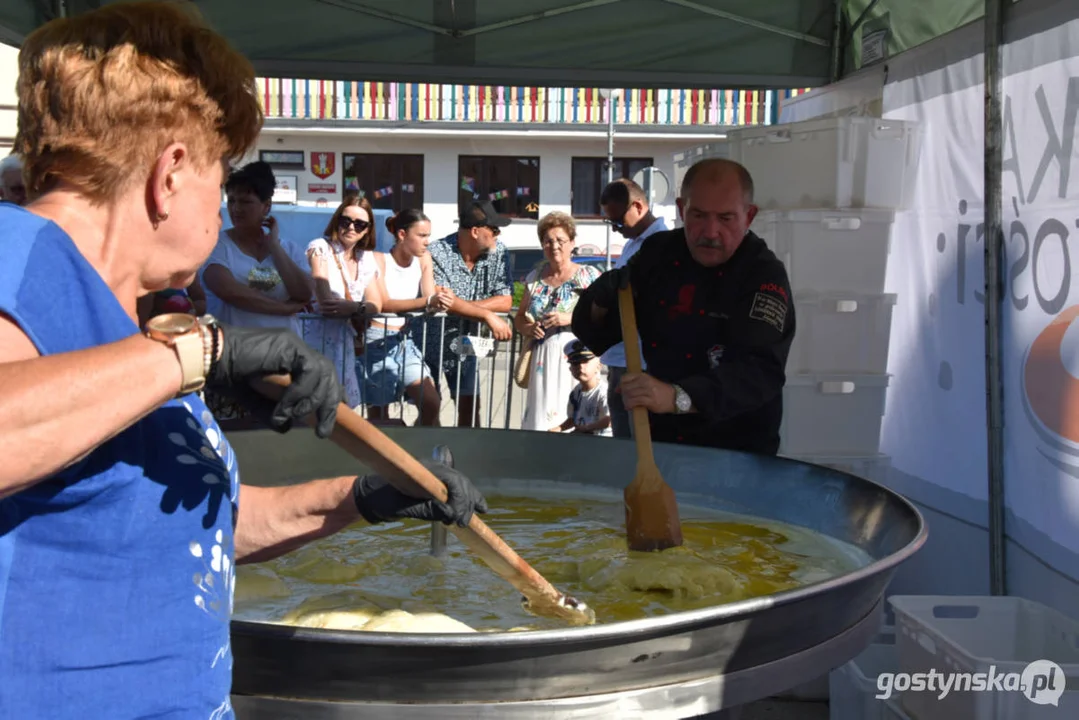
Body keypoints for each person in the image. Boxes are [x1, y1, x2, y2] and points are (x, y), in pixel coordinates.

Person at [0, 5, 488, 718]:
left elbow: (199, 530)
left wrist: (361, 498)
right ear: (171, 174)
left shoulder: (127, 322)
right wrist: (202, 351)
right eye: (220, 172)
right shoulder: (20, 253)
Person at [572, 158, 796, 455]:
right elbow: (600, 333)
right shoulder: (658, 255)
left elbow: (757, 373)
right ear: (681, 209)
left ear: (749, 216)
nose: (710, 231)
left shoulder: (763, 274)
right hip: (663, 445)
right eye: (699, 215)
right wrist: (599, 299)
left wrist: (677, 396)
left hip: (739, 450)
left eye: (726, 218)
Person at [422, 200, 514, 428]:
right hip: (428, 341)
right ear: (475, 231)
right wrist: (486, 315)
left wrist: (465, 307)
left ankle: (469, 456)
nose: (497, 235)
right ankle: (424, 456)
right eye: (493, 230)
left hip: (466, 343)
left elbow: (505, 301)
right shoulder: (436, 252)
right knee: (430, 407)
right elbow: (443, 301)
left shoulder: (498, 252)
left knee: (471, 407)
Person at [514, 211, 601, 431]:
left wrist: (569, 317)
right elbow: (519, 318)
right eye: (548, 241)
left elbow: (603, 316)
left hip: (577, 357)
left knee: (574, 414)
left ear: (572, 243)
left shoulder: (588, 275)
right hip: (542, 360)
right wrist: (530, 328)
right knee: (541, 417)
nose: (554, 246)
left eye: (560, 240)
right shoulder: (535, 278)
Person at [598, 178, 669, 439]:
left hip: (641, 361)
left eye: (618, 221)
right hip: (620, 356)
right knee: (623, 443)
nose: (616, 229)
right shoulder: (632, 242)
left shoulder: (662, 243)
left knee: (639, 443)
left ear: (638, 207)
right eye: (611, 223)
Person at [365, 208, 447, 426]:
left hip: (404, 340)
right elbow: (384, 303)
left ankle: (412, 448)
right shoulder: (378, 259)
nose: (428, 241)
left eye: (428, 235)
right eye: (422, 235)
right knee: (379, 416)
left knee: (431, 402)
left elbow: (430, 299)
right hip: (375, 341)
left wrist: (442, 299)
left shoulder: (424, 259)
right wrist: (430, 302)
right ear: (402, 235)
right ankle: (392, 453)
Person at [303, 195, 384, 410]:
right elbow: (326, 303)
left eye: (359, 224)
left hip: (344, 343)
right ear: (336, 220)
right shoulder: (319, 248)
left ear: (367, 230)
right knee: (315, 408)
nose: (351, 227)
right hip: (315, 342)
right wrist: (359, 309)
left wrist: (353, 308)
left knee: (343, 409)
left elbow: (377, 304)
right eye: (345, 220)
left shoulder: (366, 258)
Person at [549, 339, 612, 436]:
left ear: (599, 366)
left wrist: (587, 428)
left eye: (585, 361)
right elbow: (573, 419)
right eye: (575, 363)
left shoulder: (604, 391)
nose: (581, 367)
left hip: (602, 443)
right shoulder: (576, 393)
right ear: (570, 369)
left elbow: (610, 419)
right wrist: (559, 428)